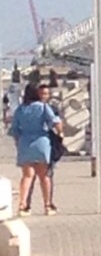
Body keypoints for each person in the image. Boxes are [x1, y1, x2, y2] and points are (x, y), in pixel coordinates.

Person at [8, 83, 60, 216]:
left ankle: (22, 205)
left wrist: (18, 143)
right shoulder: (43, 107)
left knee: (27, 176)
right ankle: (47, 205)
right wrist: (60, 134)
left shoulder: (20, 109)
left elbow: (14, 129)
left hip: (25, 143)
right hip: (42, 142)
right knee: (44, 176)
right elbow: (55, 122)